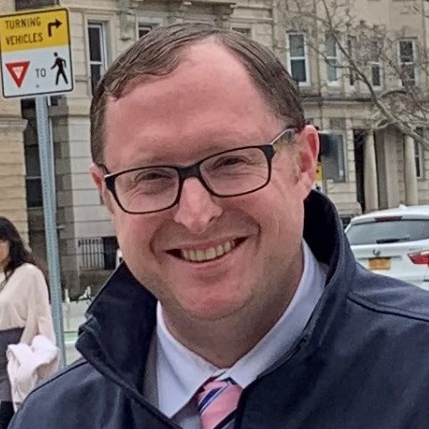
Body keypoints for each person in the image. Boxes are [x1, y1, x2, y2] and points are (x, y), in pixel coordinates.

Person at [9, 23, 429, 429]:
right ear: (107, 196)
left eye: (230, 161)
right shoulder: (52, 418)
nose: (195, 215)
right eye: (152, 176)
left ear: (303, 163)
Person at [0, 217, 56, 428]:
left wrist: (45, 357)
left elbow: (42, 316)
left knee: (7, 414)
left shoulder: (29, 274)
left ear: (11, 242)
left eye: (1, 241)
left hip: (14, 352)